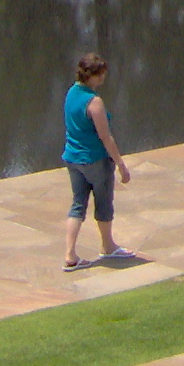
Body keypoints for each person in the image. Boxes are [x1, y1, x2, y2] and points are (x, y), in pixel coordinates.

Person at [61, 52, 136, 270]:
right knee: (103, 204)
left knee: (78, 205)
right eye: (100, 75)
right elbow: (106, 137)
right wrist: (121, 165)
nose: (103, 79)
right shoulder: (94, 102)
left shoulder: (71, 93)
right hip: (95, 160)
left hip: (73, 158)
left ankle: (70, 254)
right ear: (91, 75)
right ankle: (108, 245)